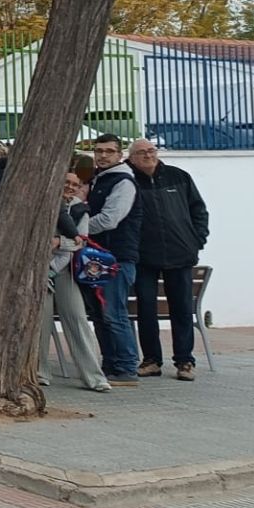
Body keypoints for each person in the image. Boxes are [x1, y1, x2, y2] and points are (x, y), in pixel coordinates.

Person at [128, 138, 209, 381]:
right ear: (131, 158)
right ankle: (151, 360)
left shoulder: (178, 176)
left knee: (182, 310)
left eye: (151, 151)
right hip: (144, 257)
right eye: (141, 153)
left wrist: (197, 240)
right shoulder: (127, 180)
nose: (147, 156)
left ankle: (185, 361)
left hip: (180, 254)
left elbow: (199, 210)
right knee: (146, 310)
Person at [43, 156, 108, 392]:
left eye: (75, 184)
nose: (70, 187)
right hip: (41, 271)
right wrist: (64, 242)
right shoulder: (43, 206)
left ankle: (94, 377)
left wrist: (58, 241)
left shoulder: (81, 211)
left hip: (65, 271)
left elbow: (80, 243)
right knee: (41, 322)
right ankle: (40, 373)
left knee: (77, 319)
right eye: (66, 182)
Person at [86, 133, 143, 384]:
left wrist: (77, 227)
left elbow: (110, 219)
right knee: (100, 314)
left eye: (109, 151)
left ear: (120, 155)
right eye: (99, 151)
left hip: (116, 257)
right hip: (98, 257)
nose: (103, 155)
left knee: (113, 313)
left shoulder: (123, 182)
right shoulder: (100, 180)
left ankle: (127, 367)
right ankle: (111, 364)